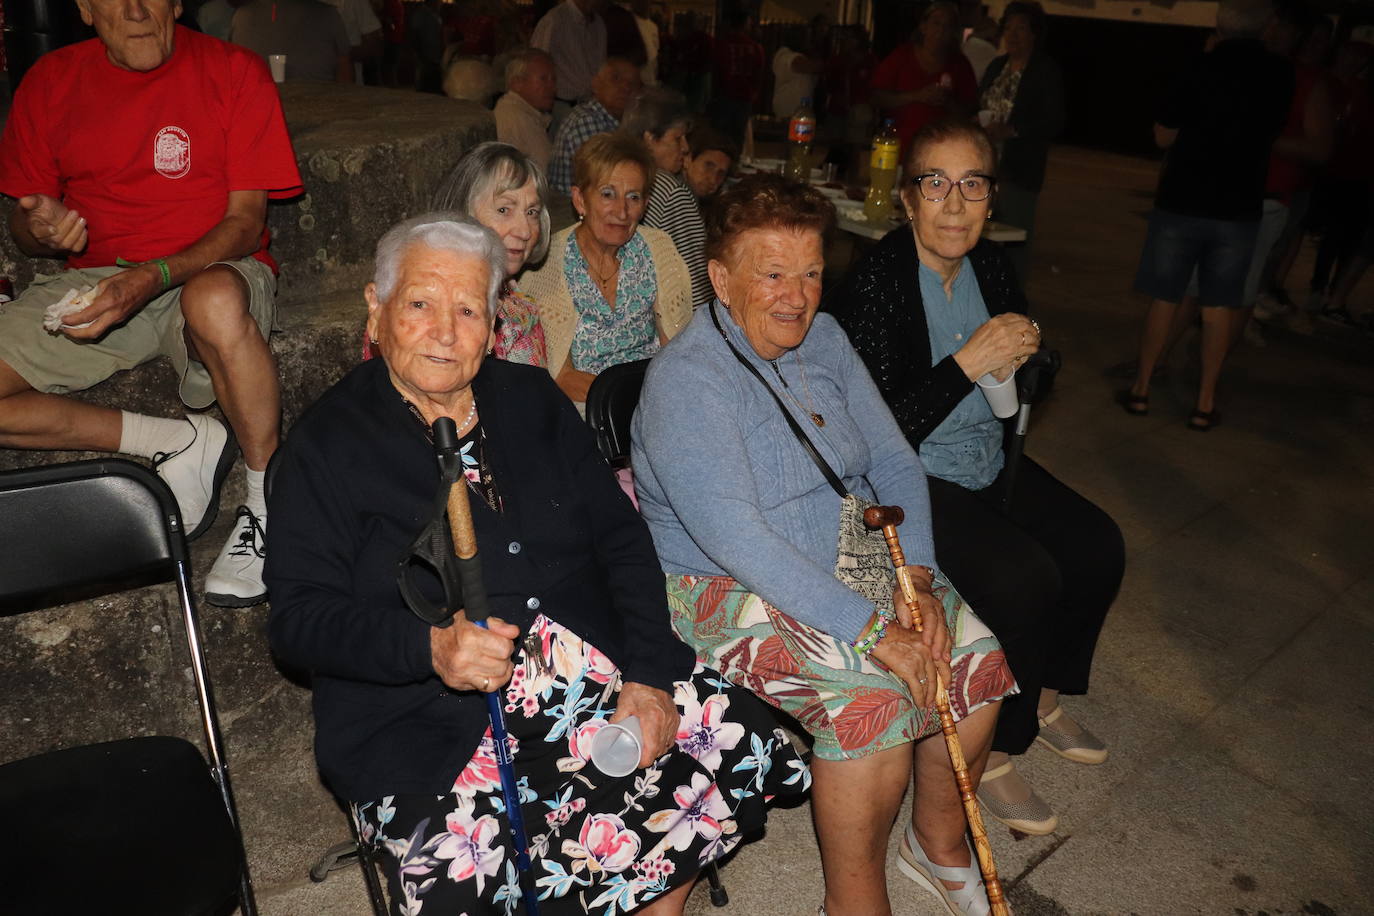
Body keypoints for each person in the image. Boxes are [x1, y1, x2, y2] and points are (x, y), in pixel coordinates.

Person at [266, 212, 807, 916]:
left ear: (493, 323)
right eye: (421, 304)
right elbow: (298, 623)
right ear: (377, 306)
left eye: (468, 309)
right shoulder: (324, 447)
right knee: (461, 882)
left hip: (598, 670)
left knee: (719, 747)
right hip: (431, 721)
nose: (445, 330)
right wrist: (428, 647)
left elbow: (622, 541)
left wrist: (645, 676)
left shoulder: (530, 399)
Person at [632, 173, 1015, 916]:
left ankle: (936, 845)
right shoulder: (689, 381)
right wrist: (873, 632)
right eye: (772, 274)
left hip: (846, 543)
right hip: (723, 580)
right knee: (871, 704)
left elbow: (897, 459)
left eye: (809, 273)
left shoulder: (828, 338)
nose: (797, 295)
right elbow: (737, 535)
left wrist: (921, 585)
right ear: (720, 277)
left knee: (972, 658)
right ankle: (853, 899)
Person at [828, 118, 1124, 838]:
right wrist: (963, 364)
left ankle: (1043, 694)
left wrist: (1031, 360)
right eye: (935, 182)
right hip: (908, 481)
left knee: (1096, 545)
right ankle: (992, 749)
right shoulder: (874, 283)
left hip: (988, 457)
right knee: (1025, 579)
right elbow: (867, 436)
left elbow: (1028, 387)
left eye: (972, 184)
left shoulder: (991, 267)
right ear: (906, 200)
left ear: (992, 200)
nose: (954, 202)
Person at [0, 2, 303, 608]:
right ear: (83, 8)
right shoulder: (52, 80)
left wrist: (151, 275)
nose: (137, 10)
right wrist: (43, 230)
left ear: (178, 2)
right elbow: (24, 222)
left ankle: (271, 504)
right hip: (101, 276)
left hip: (208, 265)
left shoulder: (234, 70)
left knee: (213, 300)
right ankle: (172, 441)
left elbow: (246, 223)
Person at [1124, 0, 1293, 430]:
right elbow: (1273, 132)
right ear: (1266, 26)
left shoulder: (1197, 67)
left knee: (1166, 297)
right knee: (1219, 305)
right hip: (1237, 207)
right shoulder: (1279, 74)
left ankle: (1141, 389)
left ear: (1219, 23)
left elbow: (1163, 135)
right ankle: (1204, 401)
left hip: (1183, 200)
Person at [520, 133, 691, 406]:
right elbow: (561, 377)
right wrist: (619, 404)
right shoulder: (546, 264)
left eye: (633, 197)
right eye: (608, 194)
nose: (622, 212)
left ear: (645, 205)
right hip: (585, 412)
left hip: (656, 401)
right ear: (580, 200)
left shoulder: (658, 249)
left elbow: (678, 355)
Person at [433, 142, 553, 367]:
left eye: (532, 212)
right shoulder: (426, 302)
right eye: (503, 210)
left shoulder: (520, 306)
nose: (525, 231)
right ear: (462, 212)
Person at [976, 1, 1065, 283]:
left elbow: (1054, 121)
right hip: (985, 165)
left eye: (1021, 29)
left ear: (1035, 33)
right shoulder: (996, 66)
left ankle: (1013, 307)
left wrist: (1012, 130)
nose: (1013, 35)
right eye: (1009, 28)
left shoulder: (1045, 71)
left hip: (1019, 169)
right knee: (979, 236)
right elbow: (978, 101)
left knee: (1014, 239)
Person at [625, 91, 712, 308]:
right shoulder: (672, 192)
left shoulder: (616, 175)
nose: (685, 147)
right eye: (677, 138)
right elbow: (697, 282)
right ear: (649, 139)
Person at [872, 0, 977, 161]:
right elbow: (877, 97)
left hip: (941, 152)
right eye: (936, 23)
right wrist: (916, 96)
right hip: (899, 148)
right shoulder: (902, 56)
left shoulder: (960, 65)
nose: (941, 30)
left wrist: (947, 102)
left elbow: (969, 113)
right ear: (923, 26)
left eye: (947, 26)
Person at [547, 56, 642, 195]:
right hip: (570, 209)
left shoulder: (620, 121)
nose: (626, 87)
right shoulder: (586, 121)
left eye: (633, 83)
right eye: (616, 78)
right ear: (595, 84)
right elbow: (605, 184)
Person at [230, 0, 353, 83]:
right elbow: (345, 70)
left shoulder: (241, 15)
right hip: (320, 107)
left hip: (260, 107)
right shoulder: (328, 13)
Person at [531, 0, 608, 126]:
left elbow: (601, 66)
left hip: (590, 104)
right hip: (560, 106)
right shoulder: (554, 20)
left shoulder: (598, 24)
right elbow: (535, 63)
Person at [708, 9, 765, 147]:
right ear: (745, 24)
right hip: (743, 96)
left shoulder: (722, 43)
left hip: (725, 95)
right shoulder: (754, 47)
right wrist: (754, 92)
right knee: (737, 136)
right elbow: (759, 72)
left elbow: (715, 70)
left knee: (719, 135)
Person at [495, 48, 558, 171]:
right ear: (517, 83)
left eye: (554, 79)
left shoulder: (519, 111)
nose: (552, 87)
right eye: (543, 79)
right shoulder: (517, 118)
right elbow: (544, 173)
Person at [771, 19, 826, 119]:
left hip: (801, 113)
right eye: (807, 37)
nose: (809, 41)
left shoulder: (804, 56)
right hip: (788, 112)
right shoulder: (785, 55)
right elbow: (811, 67)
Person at [682, 126, 738, 200]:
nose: (713, 180)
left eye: (721, 174)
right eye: (708, 167)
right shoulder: (673, 194)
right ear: (687, 159)